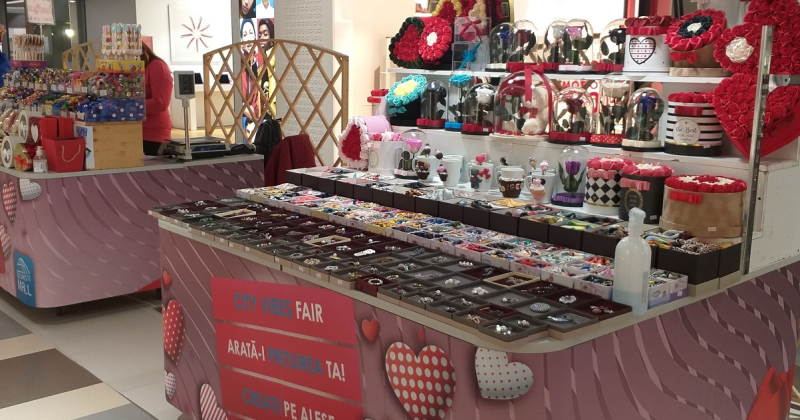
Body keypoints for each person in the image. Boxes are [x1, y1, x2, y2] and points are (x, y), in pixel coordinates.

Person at [141, 43, 174, 155]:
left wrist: (129, 107)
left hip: (153, 135)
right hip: (130, 131)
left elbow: (160, 102)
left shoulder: (157, 66)